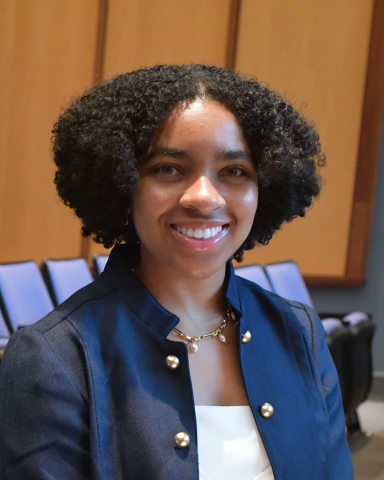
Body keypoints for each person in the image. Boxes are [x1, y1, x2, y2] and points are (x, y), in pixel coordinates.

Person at [0, 64, 353, 479]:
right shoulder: (54, 358)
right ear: (123, 184)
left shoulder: (300, 332)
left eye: (234, 172)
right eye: (168, 168)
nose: (204, 197)